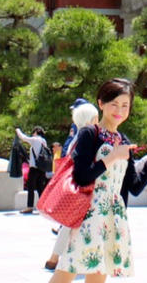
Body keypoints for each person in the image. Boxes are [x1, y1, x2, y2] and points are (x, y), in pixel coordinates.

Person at [50, 78, 147, 282]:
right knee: (66, 273)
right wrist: (112, 157)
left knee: (98, 275)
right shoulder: (89, 134)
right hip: (87, 216)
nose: (119, 110)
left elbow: (134, 186)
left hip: (112, 217)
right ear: (101, 103)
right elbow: (81, 176)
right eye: (114, 104)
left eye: (125, 105)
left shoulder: (124, 141)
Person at [45, 102, 99, 271]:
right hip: (83, 185)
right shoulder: (87, 137)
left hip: (74, 185)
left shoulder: (74, 138)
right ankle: (59, 258)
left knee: (70, 223)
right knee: (74, 223)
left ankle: (55, 257)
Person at [16, 125, 49, 214]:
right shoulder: (44, 141)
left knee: (31, 187)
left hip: (34, 167)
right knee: (40, 187)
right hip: (42, 168)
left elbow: (23, 138)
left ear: (35, 132)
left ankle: (29, 206)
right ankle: (43, 207)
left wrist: (18, 130)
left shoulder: (35, 139)